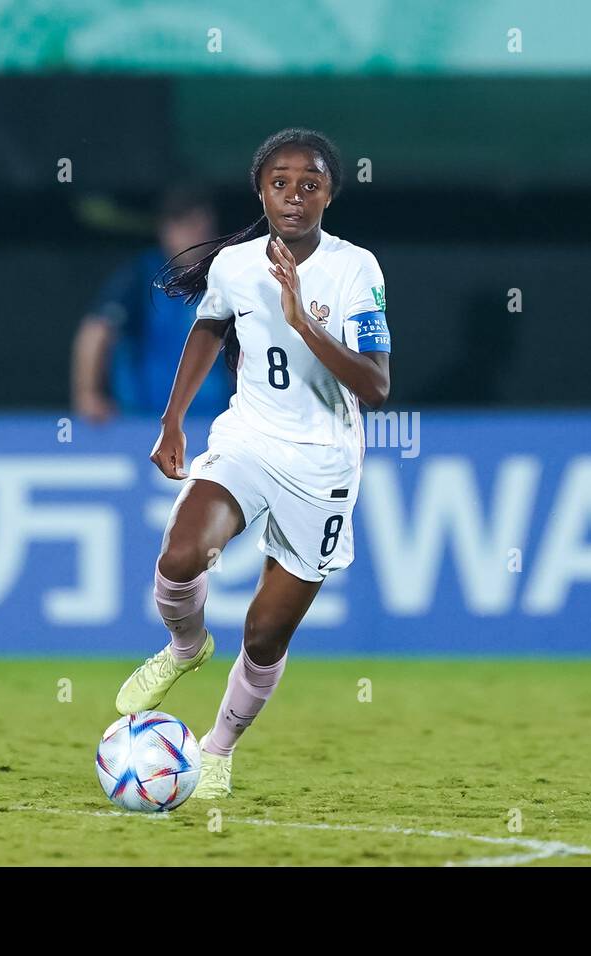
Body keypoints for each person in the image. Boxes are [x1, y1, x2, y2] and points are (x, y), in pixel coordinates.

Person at [113, 128, 391, 800]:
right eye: (280, 182)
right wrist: (173, 419)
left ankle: (218, 749)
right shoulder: (235, 265)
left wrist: (303, 322)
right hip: (249, 439)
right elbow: (209, 327)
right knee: (181, 555)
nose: (294, 195)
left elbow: (376, 387)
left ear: (330, 194)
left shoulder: (357, 269)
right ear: (260, 190)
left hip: (323, 463)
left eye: (311, 183)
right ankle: (184, 648)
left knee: (265, 634)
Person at [70, 189, 234, 423]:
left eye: (204, 226)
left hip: (215, 422)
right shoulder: (141, 275)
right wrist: (88, 395)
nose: (198, 234)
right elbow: (96, 331)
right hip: (144, 422)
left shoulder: (229, 275)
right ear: (166, 230)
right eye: (187, 226)